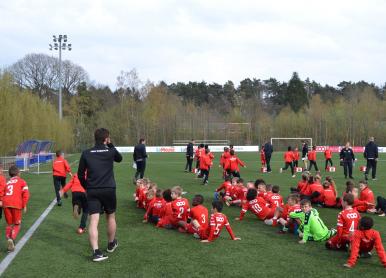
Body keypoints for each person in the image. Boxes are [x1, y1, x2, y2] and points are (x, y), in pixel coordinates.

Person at [78, 128, 123, 262]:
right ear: (106, 138)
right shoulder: (110, 151)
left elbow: (80, 175)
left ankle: (96, 252)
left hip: (92, 190)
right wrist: (110, 144)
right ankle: (110, 244)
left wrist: (87, 186)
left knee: (93, 220)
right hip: (109, 189)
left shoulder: (86, 153)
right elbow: (119, 159)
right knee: (111, 216)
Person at [1, 165, 30, 252]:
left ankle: (8, 239)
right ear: (18, 173)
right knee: (17, 224)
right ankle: (11, 238)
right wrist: (24, 204)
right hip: (16, 204)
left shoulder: (7, 182)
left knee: (9, 224)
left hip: (5, 204)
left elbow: (2, 191)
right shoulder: (22, 181)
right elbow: (26, 194)